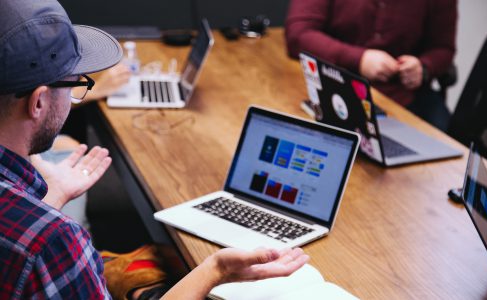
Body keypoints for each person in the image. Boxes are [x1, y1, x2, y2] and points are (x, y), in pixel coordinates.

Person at [0, 0, 309, 299]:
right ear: (38, 102)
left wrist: (52, 197)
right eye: (75, 84)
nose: (74, 97)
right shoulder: (54, 244)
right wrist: (215, 269)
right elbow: (34, 244)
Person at [285, 0, 457, 131]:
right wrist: (359, 59)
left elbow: (443, 48)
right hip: (329, 83)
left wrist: (424, 67)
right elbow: (299, 34)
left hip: (403, 99)